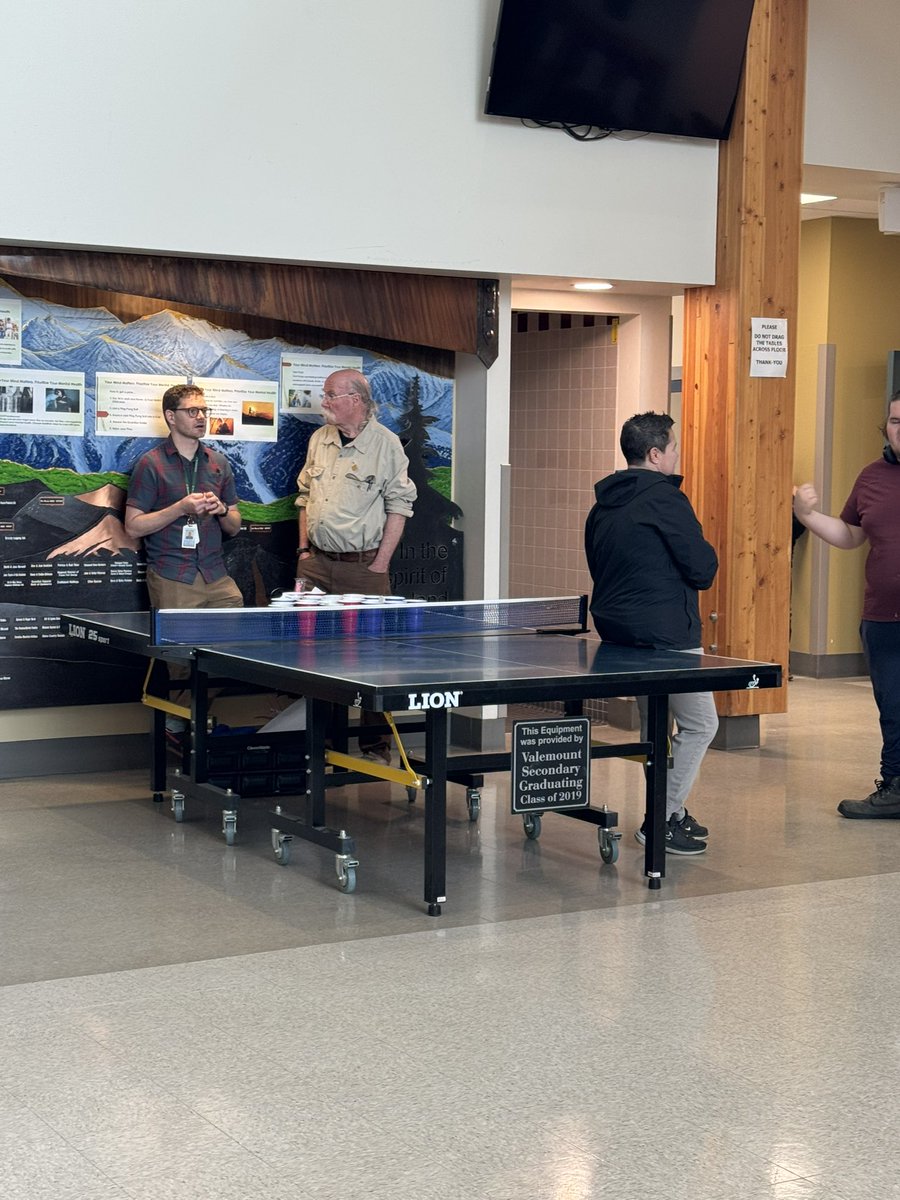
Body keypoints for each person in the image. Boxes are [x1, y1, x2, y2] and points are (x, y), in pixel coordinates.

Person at [584, 411, 719, 855]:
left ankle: (670, 813)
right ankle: (660, 817)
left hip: (620, 634)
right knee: (701, 724)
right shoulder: (666, 499)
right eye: (674, 448)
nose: (677, 456)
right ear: (656, 454)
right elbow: (702, 569)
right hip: (668, 635)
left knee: (654, 731)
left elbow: (599, 566)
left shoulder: (602, 505)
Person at [295, 368, 416, 761]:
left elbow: (399, 507)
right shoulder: (320, 439)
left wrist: (379, 565)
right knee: (314, 656)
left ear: (357, 400)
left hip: (362, 568)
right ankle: (324, 743)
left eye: (331, 394)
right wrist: (303, 551)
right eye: (325, 394)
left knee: (371, 658)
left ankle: (374, 746)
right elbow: (305, 497)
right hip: (315, 565)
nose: (324, 402)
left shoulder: (386, 444)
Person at [793, 391, 900, 818]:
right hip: (883, 618)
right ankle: (895, 787)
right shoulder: (871, 477)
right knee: (893, 709)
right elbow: (852, 535)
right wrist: (806, 516)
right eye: (895, 421)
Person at [125, 384, 243, 739]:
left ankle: (189, 719)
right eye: (193, 411)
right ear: (171, 417)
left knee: (233, 649)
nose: (201, 417)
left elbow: (234, 526)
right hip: (173, 573)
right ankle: (184, 725)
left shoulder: (218, 463)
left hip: (215, 573)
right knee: (180, 662)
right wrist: (180, 508)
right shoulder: (151, 464)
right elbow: (133, 526)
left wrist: (221, 509)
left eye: (204, 410)